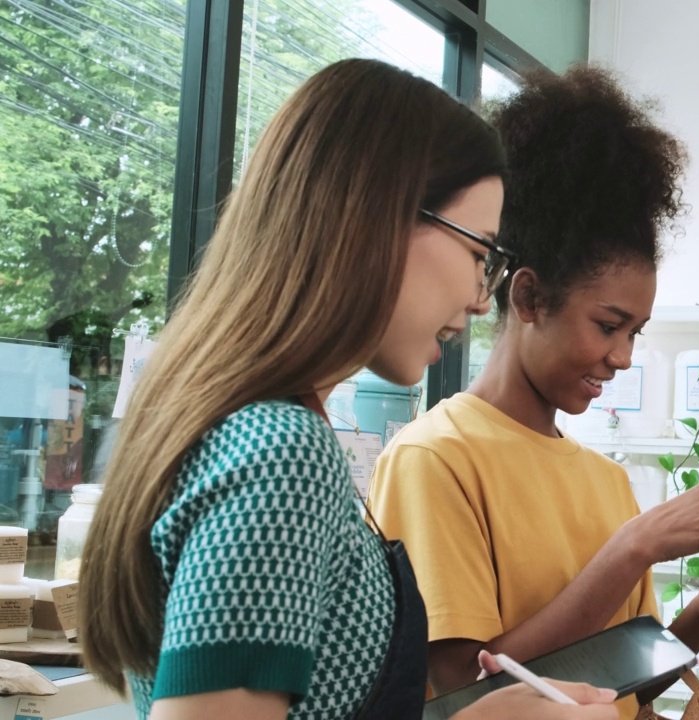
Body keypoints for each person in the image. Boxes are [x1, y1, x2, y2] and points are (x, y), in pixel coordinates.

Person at [79, 59, 618, 720]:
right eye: (480, 253)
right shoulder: (281, 454)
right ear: (378, 217)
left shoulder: (232, 430)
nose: (483, 300)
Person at [367, 65, 699, 717]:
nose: (623, 357)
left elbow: (619, 687)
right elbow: (464, 695)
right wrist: (634, 547)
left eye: (637, 332)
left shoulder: (604, 479)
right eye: (608, 325)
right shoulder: (435, 458)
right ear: (529, 296)